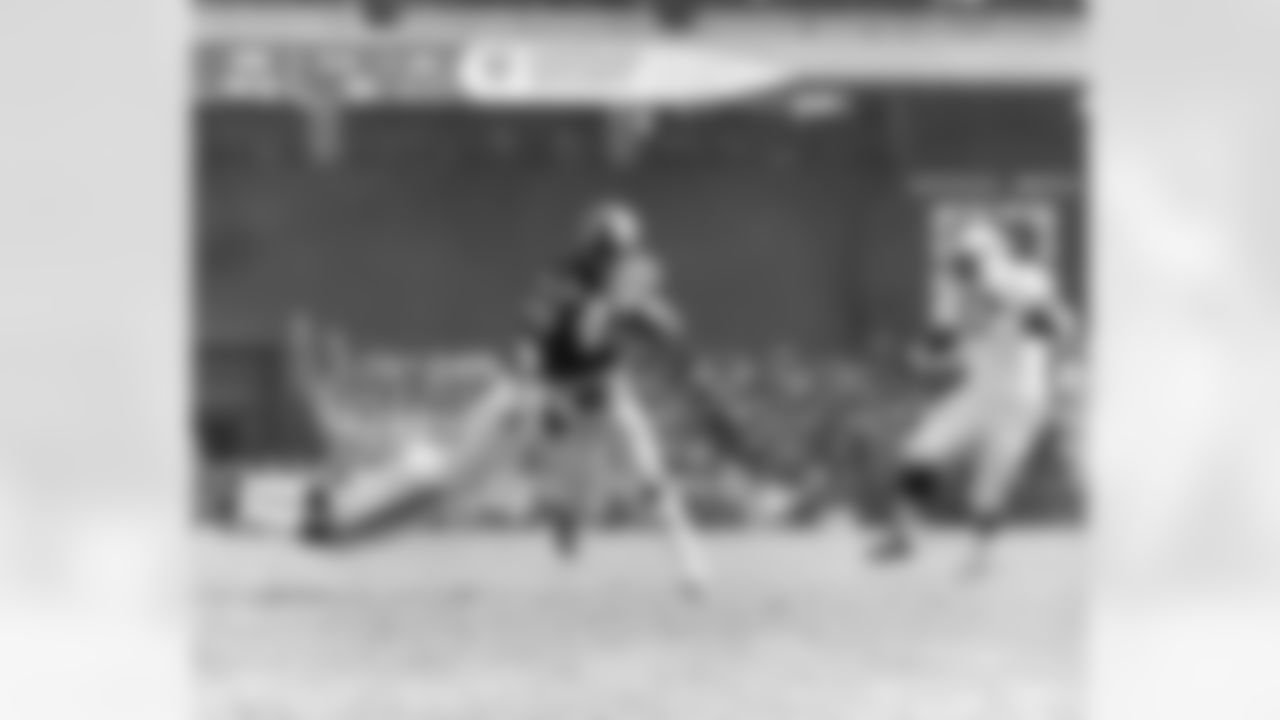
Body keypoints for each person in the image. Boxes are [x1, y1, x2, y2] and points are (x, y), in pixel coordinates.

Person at [517, 199, 710, 594]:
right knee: (574, 508)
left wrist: (652, 316)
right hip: (566, 397)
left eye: (620, 251)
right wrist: (620, 305)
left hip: (608, 390)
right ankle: (566, 521)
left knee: (651, 474)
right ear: (593, 249)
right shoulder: (564, 280)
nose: (616, 258)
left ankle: (690, 563)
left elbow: (664, 325)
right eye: (609, 250)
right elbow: (581, 336)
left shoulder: (622, 279)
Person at [874, 218, 1079, 574]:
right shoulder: (957, 294)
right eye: (959, 262)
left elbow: (1059, 327)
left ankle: (981, 556)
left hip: (1020, 397)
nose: (960, 269)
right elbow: (941, 342)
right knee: (922, 450)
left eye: (967, 262)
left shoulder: (1024, 281)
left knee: (990, 483)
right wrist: (921, 355)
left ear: (989, 258)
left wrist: (1031, 314)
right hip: (979, 390)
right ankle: (904, 534)